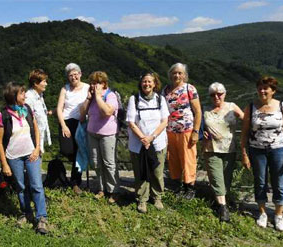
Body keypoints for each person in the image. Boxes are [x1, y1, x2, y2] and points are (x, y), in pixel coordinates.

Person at [241, 76, 283, 231]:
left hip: (279, 149)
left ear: (273, 91)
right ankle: (262, 213)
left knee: (279, 182)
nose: (262, 91)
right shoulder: (251, 107)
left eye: (266, 88)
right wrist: (244, 153)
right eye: (260, 88)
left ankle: (278, 215)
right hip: (256, 150)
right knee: (260, 181)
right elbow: (244, 133)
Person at [0, 82, 49, 234]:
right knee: (20, 187)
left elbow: (36, 128)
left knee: (36, 185)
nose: (25, 95)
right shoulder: (3, 115)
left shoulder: (27, 109)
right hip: (13, 157)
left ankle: (41, 218)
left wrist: (37, 148)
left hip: (31, 154)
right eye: (21, 93)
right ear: (13, 96)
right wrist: (4, 163)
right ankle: (26, 213)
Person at [127, 72, 169, 213]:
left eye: (150, 81)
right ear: (141, 83)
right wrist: (143, 138)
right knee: (141, 173)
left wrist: (151, 137)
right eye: (144, 81)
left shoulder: (160, 100)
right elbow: (131, 122)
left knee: (157, 171)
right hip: (138, 144)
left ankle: (157, 197)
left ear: (155, 84)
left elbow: (165, 121)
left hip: (157, 143)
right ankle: (142, 199)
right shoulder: (134, 99)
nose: (147, 84)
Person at [203, 82, 244, 222]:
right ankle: (223, 209)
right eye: (213, 94)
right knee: (216, 178)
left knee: (226, 179)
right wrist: (203, 132)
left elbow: (247, 119)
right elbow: (198, 126)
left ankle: (220, 202)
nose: (216, 97)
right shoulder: (205, 110)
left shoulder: (232, 107)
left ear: (225, 94)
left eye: (219, 93)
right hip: (211, 149)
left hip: (229, 149)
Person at [162, 63, 202, 200]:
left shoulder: (189, 88)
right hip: (170, 130)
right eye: (174, 73)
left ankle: (189, 187)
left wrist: (196, 131)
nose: (177, 75)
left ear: (184, 75)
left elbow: (198, 111)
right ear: (170, 75)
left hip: (187, 129)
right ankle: (178, 185)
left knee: (188, 158)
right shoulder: (166, 90)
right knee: (173, 158)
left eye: (180, 73)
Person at [80, 71, 121, 203]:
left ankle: (114, 190)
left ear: (104, 83)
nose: (93, 85)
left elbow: (107, 112)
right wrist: (88, 98)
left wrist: (98, 97)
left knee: (109, 163)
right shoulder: (91, 97)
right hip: (92, 133)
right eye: (92, 82)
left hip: (108, 134)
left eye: (96, 82)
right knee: (96, 162)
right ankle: (102, 188)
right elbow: (82, 114)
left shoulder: (111, 96)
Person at [56, 63, 90, 194]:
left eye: (76, 74)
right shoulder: (65, 89)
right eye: (71, 75)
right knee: (67, 150)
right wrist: (63, 125)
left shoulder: (87, 87)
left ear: (80, 74)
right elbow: (59, 108)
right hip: (66, 122)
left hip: (81, 123)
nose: (74, 77)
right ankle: (72, 178)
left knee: (79, 151)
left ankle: (76, 182)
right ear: (68, 77)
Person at [25, 69, 52, 154]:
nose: (46, 84)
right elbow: (28, 119)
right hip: (32, 141)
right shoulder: (29, 98)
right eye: (44, 81)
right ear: (36, 83)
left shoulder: (39, 96)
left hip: (39, 138)